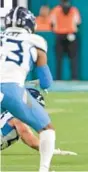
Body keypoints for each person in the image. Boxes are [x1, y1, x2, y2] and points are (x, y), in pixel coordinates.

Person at [0, 6, 54, 172]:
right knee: (47, 129)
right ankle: (43, 169)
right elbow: (46, 82)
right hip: (11, 88)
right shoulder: (36, 41)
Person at [0, 88, 77, 156]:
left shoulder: (13, 111)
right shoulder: (17, 116)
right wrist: (52, 151)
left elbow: (25, 136)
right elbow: (29, 139)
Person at [51, 0, 81, 80]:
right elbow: (78, 23)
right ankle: (59, 78)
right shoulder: (56, 10)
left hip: (69, 35)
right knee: (59, 59)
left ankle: (74, 78)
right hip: (62, 35)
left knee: (72, 58)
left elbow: (77, 23)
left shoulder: (73, 10)